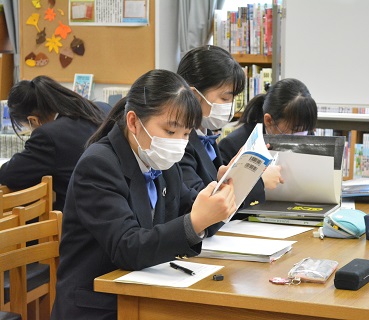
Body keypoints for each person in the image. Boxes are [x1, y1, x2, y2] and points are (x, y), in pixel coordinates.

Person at [51, 69, 236, 320]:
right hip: (98, 304)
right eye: (170, 132)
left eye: (185, 134)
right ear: (133, 122)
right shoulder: (98, 165)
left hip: (144, 291)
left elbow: (190, 209)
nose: (178, 144)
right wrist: (196, 221)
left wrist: (222, 192)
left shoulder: (161, 162)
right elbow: (127, 247)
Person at [0, 75, 105, 211]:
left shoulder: (48, 135)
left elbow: (9, 174)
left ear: (33, 120)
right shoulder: (100, 109)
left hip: (82, 217)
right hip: (121, 206)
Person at [218, 78, 318, 206]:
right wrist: (259, 182)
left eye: (306, 130)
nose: (301, 136)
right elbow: (225, 200)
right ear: (268, 121)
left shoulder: (305, 133)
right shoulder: (233, 145)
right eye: (295, 130)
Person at [176, 45, 262, 193]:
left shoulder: (206, 132)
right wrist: (258, 182)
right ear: (194, 95)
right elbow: (197, 200)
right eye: (225, 98)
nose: (231, 106)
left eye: (233, 98)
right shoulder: (178, 140)